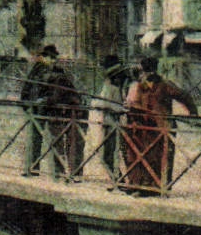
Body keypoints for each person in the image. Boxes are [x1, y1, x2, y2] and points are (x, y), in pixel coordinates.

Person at [121, 57, 199, 196]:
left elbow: (184, 96)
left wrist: (193, 113)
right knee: (147, 156)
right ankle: (145, 187)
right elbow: (138, 103)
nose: (145, 76)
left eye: (147, 72)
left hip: (163, 127)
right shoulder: (142, 86)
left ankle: (160, 188)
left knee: (162, 158)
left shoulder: (164, 85)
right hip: (147, 127)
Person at [21, 45, 84, 180]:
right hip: (38, 110)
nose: (53, 60)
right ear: (43, 57)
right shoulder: (37, 70)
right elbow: (26, 89)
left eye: (54, 58)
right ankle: (33, 168)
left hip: (48, 109)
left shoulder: (55, 72)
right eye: (51, 57)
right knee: (36, 140)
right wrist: (27, 105)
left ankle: (56, 170)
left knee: (55, 141)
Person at [90, 55, 134, 186]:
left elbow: (122, 106)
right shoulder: (109, 84)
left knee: (122, 154)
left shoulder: (121, 85)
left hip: (118, 122)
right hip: (109, 122)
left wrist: (104, 105)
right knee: (108, 155)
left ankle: (125, 182)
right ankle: (119, 180)